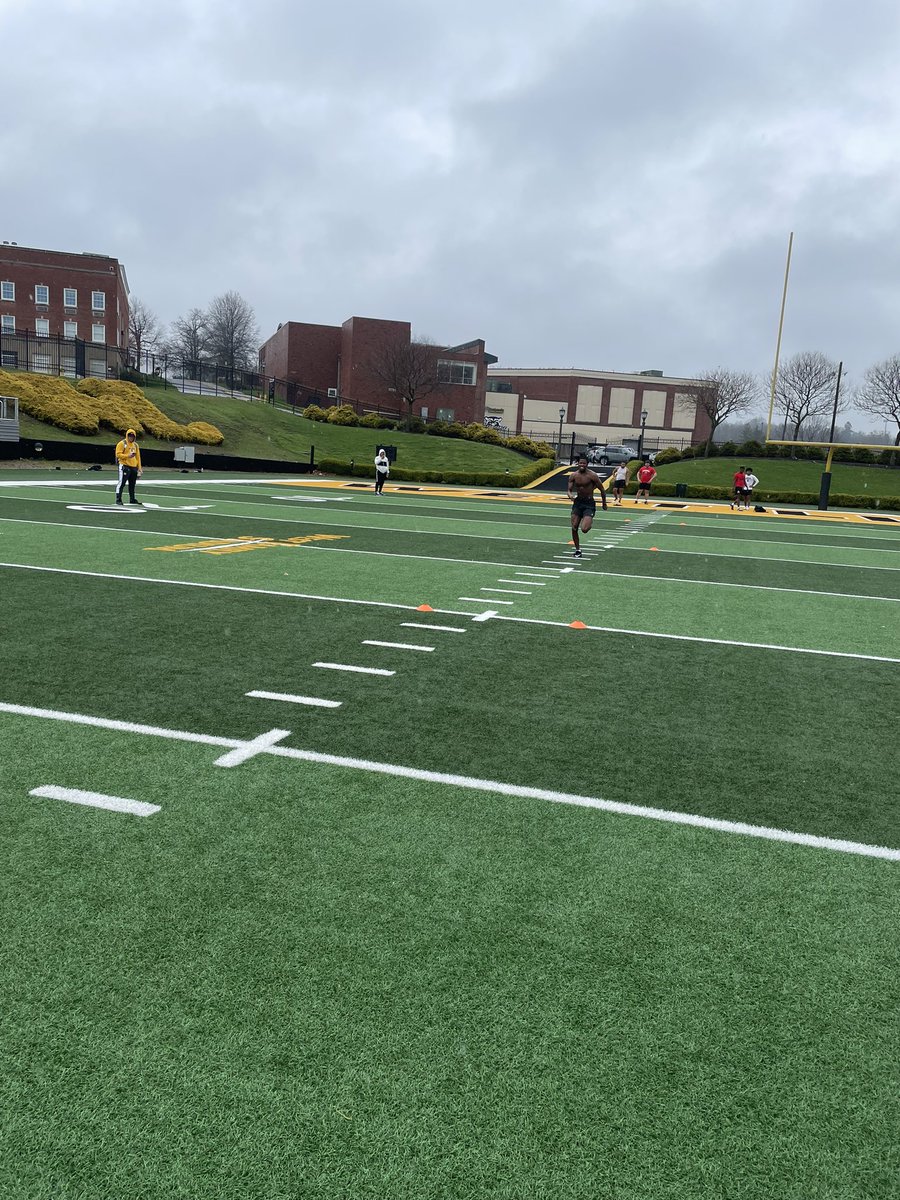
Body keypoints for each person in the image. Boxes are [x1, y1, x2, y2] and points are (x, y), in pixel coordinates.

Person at [567, 455, 607, 557]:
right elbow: (569, 490)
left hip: (589, 503)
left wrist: (604, 503)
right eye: (580, 463)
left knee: (584, 529)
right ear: (578, 463)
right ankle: (578, 550)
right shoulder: (573, 475)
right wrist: (570, 495)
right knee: (574, 526)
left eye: (584, 463)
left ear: (587, 464)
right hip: (578, 503)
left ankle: (588, 521)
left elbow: (602, 490)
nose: (582, 465)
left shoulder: (592, 475)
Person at [115, 428, 142, 505]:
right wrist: (127, 456)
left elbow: (138, 457)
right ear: (127, 436)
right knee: (122, 483)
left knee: (132, 483)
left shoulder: (135, 445)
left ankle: (132, 498)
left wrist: (139, 468)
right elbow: (118, 454)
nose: (131, 437)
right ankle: (118, 498)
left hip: (133, 466)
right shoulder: (122, 443)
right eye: (130, 436)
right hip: (124, 465)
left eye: (133, 436)